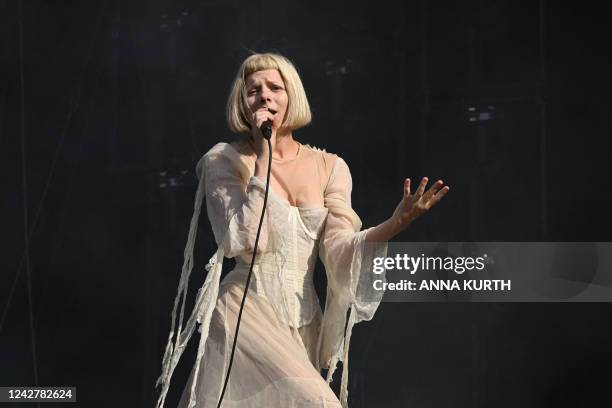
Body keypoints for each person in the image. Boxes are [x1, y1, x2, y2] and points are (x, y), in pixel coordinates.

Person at [155, 52, 449, 408]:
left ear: (291, 95)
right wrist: (263, 155)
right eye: (253, 90)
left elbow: (339, 252)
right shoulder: (223, 161)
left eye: (274, 87)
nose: (264, 95)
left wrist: (395, 224)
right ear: (243, 105)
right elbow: (245, 240)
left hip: (303, 322)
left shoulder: (330, 167)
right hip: (245, 312)